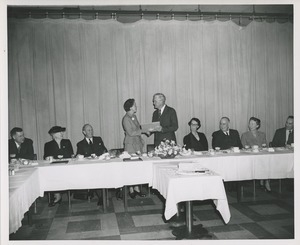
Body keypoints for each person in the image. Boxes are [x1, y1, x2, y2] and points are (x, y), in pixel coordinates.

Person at [44, 126, 74, 207]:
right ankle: (57, 195)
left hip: (66, 166)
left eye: (62, 132)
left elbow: (71, 154)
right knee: (52, 174)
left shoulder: (67, 142)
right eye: (59, 132)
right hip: (54, 167)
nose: (61, 134)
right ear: (53, 134)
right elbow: (46, 157)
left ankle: (63, 192)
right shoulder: (48, 144)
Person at [122, 98, 146, 199]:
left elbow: (138, 128)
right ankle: (131, 189)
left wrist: (146, 129)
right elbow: (131, 133)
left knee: (137, 167)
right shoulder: (125, 119)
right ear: (130, 107)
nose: (136, 106)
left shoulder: (134, 116)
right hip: (130, 145)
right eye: (135, 105)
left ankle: (137, 188)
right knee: (131, 168)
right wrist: (143, 131)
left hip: (137, 144)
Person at [241, 117, 270, 192]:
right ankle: (262, 180)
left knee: (267, 161)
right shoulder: (244, 135)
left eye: (252, 123)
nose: (250, 125)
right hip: (250, 156)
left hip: (261, 155)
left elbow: (265, 145)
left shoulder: (262, 134)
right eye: (250, 123)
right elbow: (243, 147)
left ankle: (266, 181)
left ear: (257, 126)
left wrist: (261, 148)